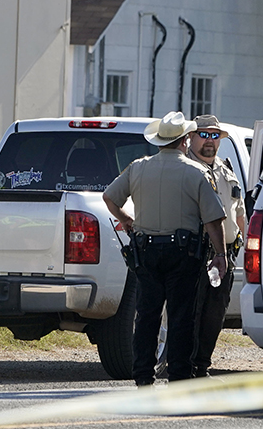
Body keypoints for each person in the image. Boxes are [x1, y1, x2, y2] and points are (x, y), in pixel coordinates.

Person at [103, 111, 227, 386]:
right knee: (181, 316)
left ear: (159, 141)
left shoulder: (137, 167)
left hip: (146, 251)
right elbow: (213, 220)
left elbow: (109, 197)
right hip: (183, 254)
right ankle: (179, 376)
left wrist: (126, 220)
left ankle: (143, 375)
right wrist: (221, 254)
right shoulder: (197, 172)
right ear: (185, 141)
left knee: (147, 315)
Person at [186, 115, 247, 377]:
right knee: (190, 312)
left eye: (214, 136)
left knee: (214, 314)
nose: (209, 141)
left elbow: (240, 213)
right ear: (190, 137)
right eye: (204, 135)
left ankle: (201, 365)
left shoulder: (226, 170)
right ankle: (184, 365)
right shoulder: (185, 168)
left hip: (225, 255)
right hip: (194, 252)